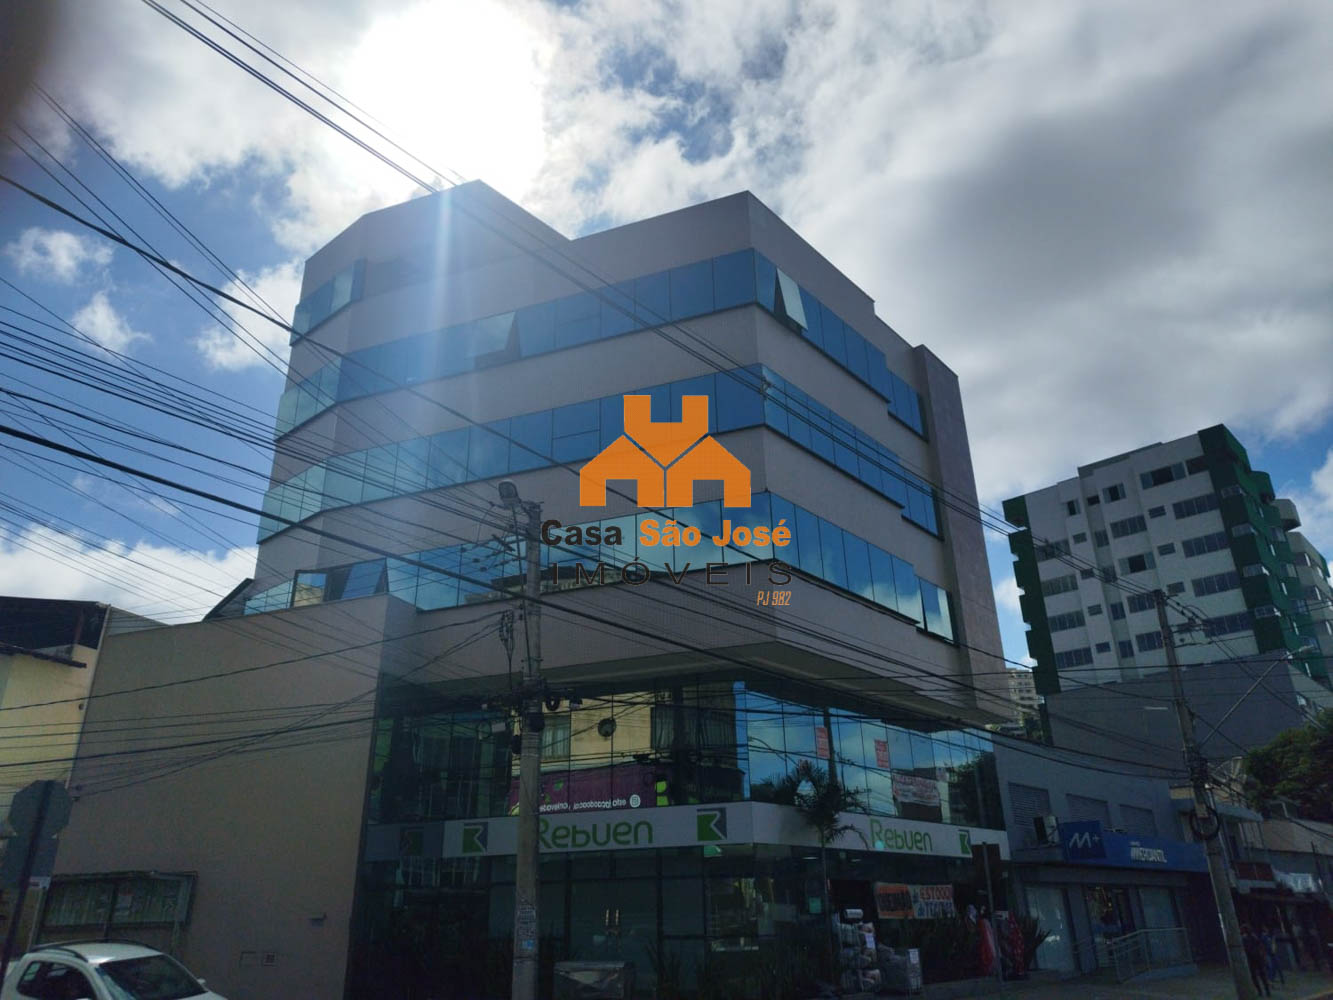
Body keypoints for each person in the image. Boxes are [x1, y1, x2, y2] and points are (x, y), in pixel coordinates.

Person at [1242, 924, 1272, 997]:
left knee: (1254, 976)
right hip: (1257, 958)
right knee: (1262, 975)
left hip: (1252, 959)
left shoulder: (1245, 939)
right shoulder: (1254, 937)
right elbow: (1260, 946)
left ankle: (1260, 991)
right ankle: (1267, 991)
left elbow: (1246, 949)